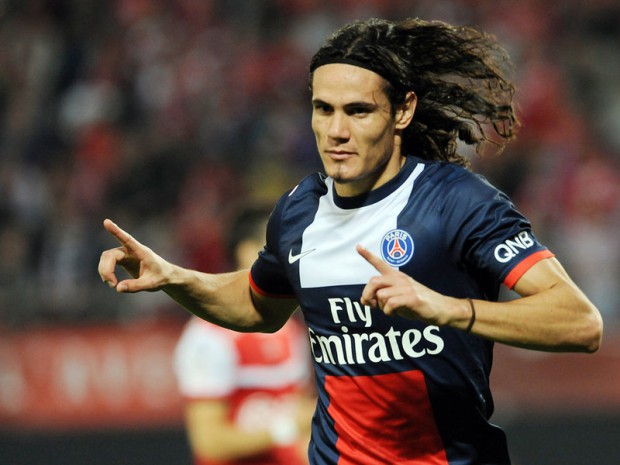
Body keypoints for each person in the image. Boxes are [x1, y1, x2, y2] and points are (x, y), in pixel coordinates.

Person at [99, 18, 603, 465]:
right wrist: (174, 277)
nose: (336, 131)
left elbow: (580, 322)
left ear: (403, 111)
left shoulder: (456, 202)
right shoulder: (297, 211)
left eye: (358, 111)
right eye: (323, 109)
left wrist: (448, 309)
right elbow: (257, 305)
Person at [173, 206, 314, 465]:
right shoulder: (208, 337)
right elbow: (209, 443)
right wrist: (285, 429)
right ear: (249, 252)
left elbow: (299, 426)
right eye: (283, 247)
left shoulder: (291, 331)